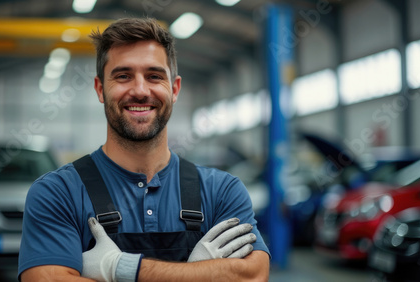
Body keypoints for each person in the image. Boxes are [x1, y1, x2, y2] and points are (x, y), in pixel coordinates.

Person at [18, 17, 270, 281]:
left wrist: (120, 268)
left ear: (174, 89)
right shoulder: (58, 193)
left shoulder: (222, 191)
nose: (140, 90)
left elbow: (252, 275)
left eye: (154, 76)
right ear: (100, 89)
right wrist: (201, 275)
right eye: (124, 76)